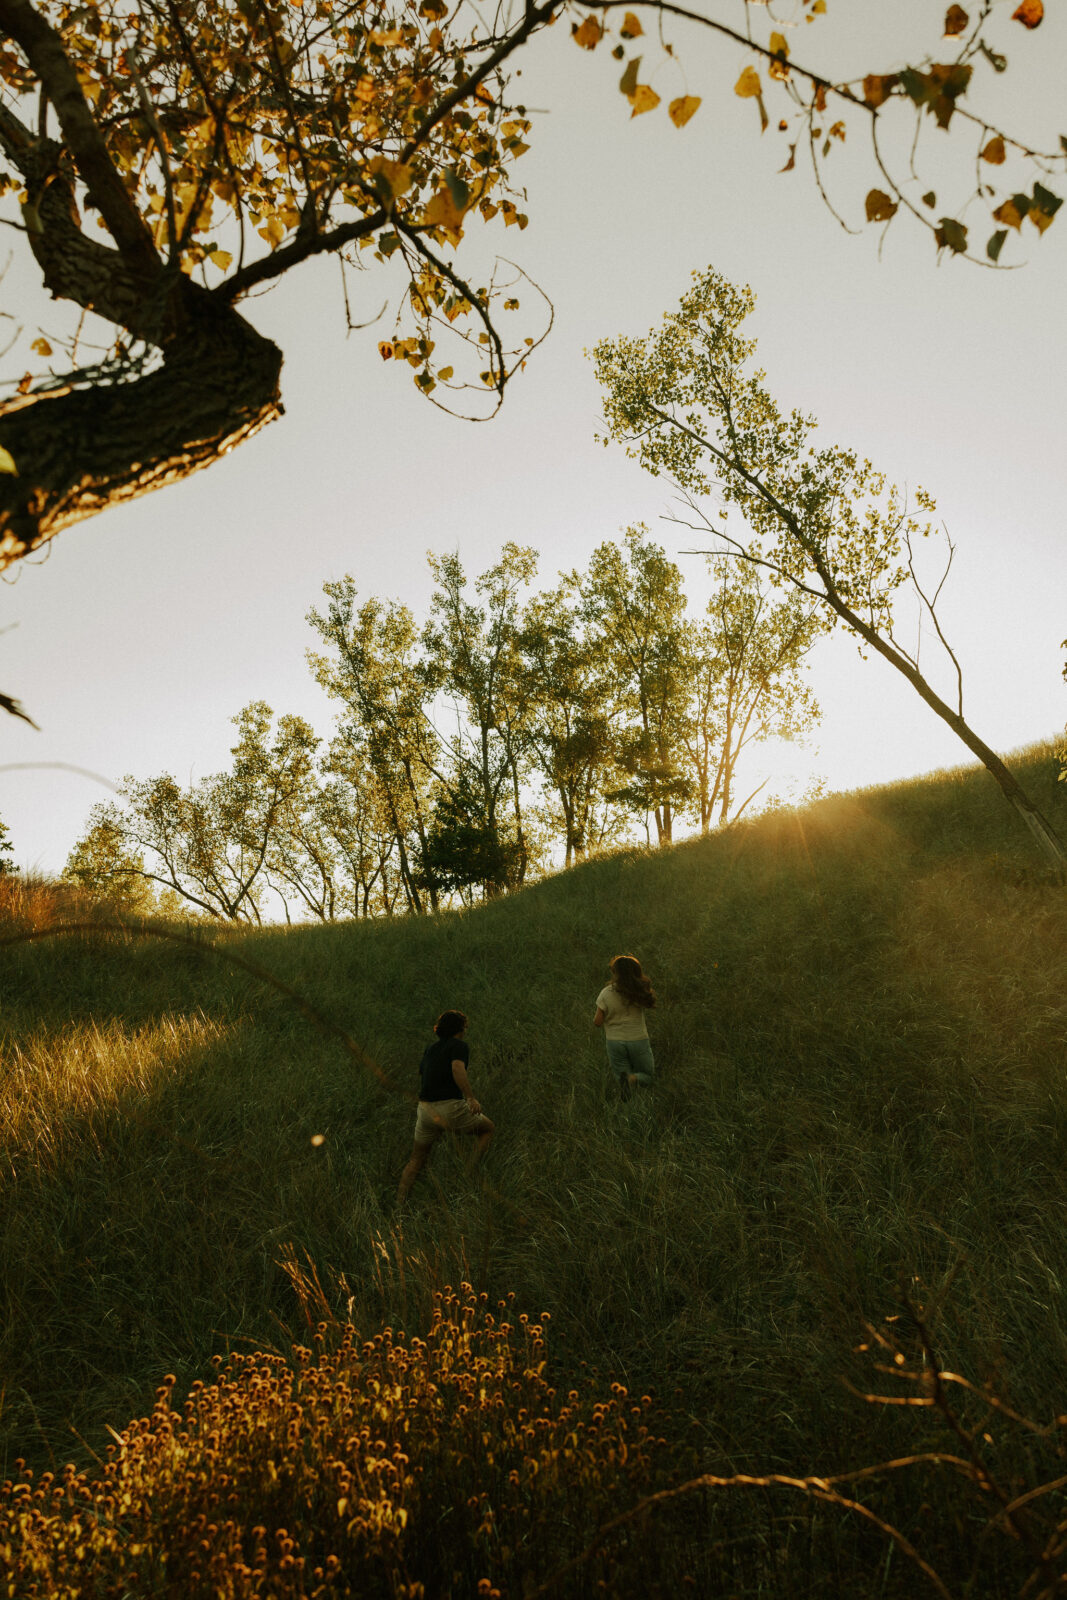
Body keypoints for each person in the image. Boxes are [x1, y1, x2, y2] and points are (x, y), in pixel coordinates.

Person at [397, 1009, 494, 1201]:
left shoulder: (430, 1049)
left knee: (416, 1160)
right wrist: (470, 1098)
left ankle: (399, 1206)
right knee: (488, 1129)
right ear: (461, 1028)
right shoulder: (459, 1045)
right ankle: (467, 1177)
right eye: (465, 1026)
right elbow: (457, 1068)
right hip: (450, 1107)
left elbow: (424, 1074)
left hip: (425, 1109)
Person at [594, 954, 656, 1094]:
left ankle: (628, 1099)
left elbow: (597, 1022)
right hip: (638, 1039)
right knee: (648, 1076)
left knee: (622, 1079)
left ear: (615, 973)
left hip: (615, 1042)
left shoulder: (606, 993)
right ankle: (633, 1078)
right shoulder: (640, 990)